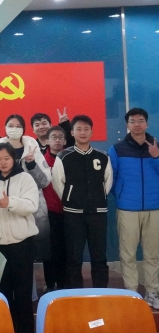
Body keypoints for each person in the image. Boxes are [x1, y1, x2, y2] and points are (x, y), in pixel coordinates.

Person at [0, 143, 39, 333]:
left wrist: (10, 202)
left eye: (6, 158)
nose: (3, 162)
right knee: (1, 292)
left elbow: (32, 205)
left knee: (23, 293)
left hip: (22, 245)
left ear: (14, 158)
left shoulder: (25, 178)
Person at [51, 115, 112, 289]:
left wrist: (97, 197)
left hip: (98, 214)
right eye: (78, 129)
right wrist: (71, 200)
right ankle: (75, 294)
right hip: (73, 215)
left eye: (86, 129)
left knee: (99, 257)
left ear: (92, 131)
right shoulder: (64, 156)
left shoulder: (102, 156)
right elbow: (58, 183)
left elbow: (107, 182)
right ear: (72, 132)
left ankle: (101, 293)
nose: (83, 132)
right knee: (74, 258)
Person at [109, 107, 159, 309]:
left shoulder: (156, 146)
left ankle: (153, 292)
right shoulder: (117, 149)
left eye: (140, 121)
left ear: (147, 124)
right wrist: (122, 196)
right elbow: (111, 178)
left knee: (153, 254)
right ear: (127, 125)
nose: (137, 124)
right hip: (127, 209)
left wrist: (156, 157)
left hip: (155, 208)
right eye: (133, 121)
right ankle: (131, 293)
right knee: (127, 253)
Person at [0, 114, 51, 244]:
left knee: (36, 246)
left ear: (24, 129)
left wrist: (32, 165)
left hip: (32, 207)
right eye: (11, 126)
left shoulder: (32, 146)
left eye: (18, 126)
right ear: (5, 128)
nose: (14, 129)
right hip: (3, 208)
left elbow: (45, 181)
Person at [41, 126, 68, 291]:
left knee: (66, 250)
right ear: (47, 141)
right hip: (48, 213)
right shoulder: (41, 162)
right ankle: (50, 284)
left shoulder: (70, 158)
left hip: (68, 212)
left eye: (60, 137)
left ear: (65, 141)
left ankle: (64, 284)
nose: (57, 140)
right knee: (49, 251)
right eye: (53, 137)